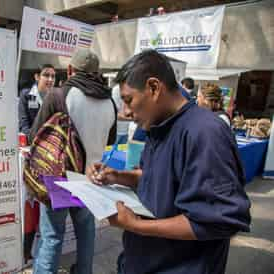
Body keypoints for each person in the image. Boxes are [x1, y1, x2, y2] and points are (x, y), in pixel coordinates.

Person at [87, 50, 251, 274]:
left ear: (154, 88)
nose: (126, 112)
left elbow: (218, 219)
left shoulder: (204, 133)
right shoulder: (159, 125)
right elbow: (155, 177)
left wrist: (135, 225)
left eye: (128, 100)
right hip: (142, 260)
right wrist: (117, 176)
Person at [30, 48, 116, 274]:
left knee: (52, 236)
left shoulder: (58, 95)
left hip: (60, 178)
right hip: (92, 177)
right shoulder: (109, 101)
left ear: (70, 70)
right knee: (86, 233)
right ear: (96, 73)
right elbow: (111, 138)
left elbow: (34, 136)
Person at [18, 64, 56, 136]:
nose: (50, 79)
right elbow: (24, 125)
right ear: (37, 77)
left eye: (53, 76)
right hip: (31, 141)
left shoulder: (56, 97)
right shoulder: (26, 95)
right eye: (46, 75)